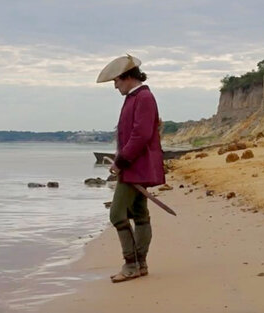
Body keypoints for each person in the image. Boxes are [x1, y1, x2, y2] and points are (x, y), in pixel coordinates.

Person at [96, 54, 165, 283]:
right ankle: (141, 264)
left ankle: (131, 264)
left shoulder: (144, 97)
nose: (115, 86)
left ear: (127, 77)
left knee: (117, 214)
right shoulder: (135, 97)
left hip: (136, 166)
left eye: (116, 80)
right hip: (135, 166)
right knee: (139, 214)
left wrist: (120, 162)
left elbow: (141, 135)